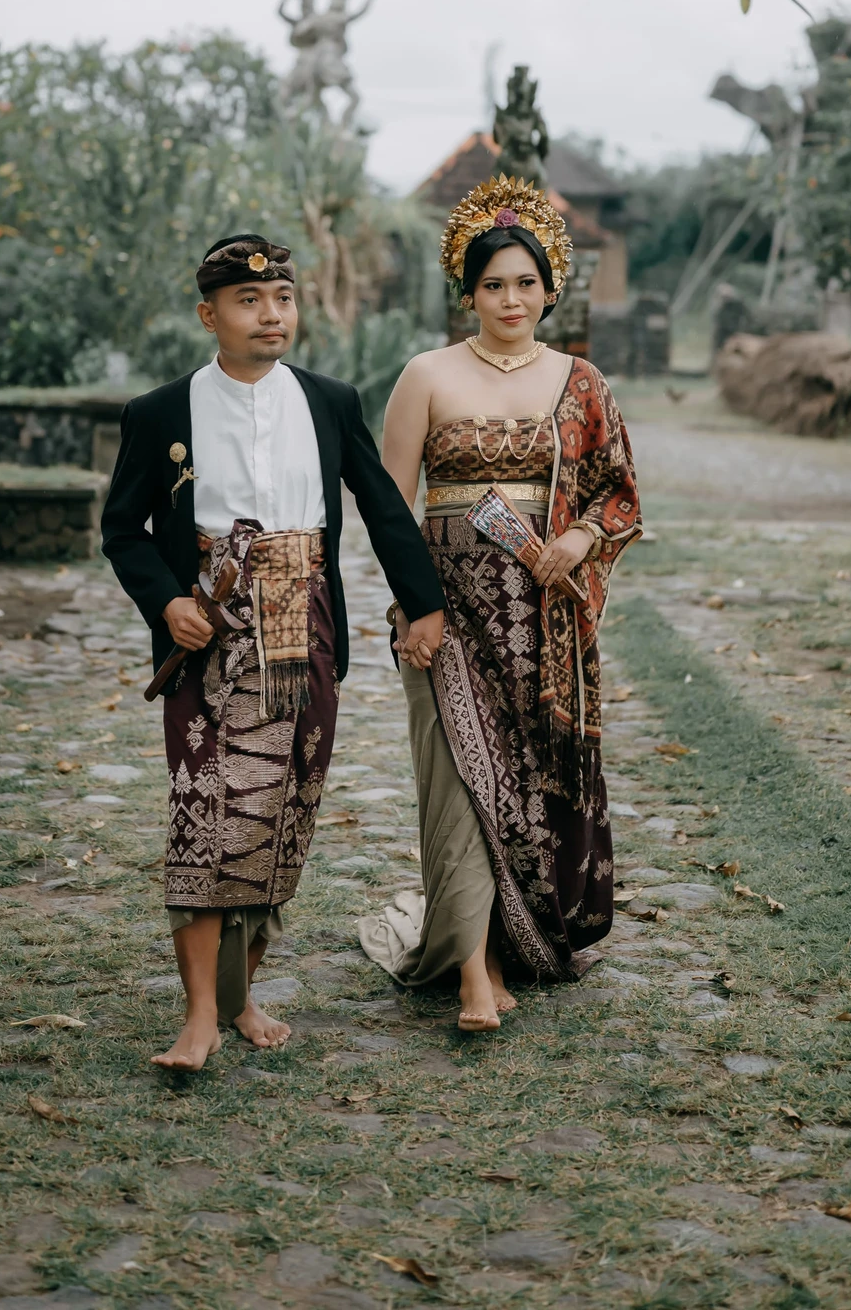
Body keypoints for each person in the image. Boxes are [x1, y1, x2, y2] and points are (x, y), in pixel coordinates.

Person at [101, 234, 445, 1071]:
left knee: (282, 813)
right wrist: (168, 602)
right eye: (249, 301)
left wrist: (424, 604)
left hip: (307, 630)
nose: (270, 314)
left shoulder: (330, 401)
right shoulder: (161, 412)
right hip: (207, 637)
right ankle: (198, 1018)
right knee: (204, 812)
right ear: (208, 314)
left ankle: (241, 997)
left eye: (282, 299)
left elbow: (383, 507)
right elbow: (122, 529)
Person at [359, 177, 641, 1032]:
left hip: (543, 622)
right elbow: (389, 507)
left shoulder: (580, 382)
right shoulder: (426, 375)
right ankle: (475, 971)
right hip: (443, 613)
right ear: (468, 293)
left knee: (521, 782)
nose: (510, 299)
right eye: (492, 285)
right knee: (458, 782)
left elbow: (618, 491)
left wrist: (579, 540)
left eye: (526, 282)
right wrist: (412, 608)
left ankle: (519, 933)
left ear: (551, 288)